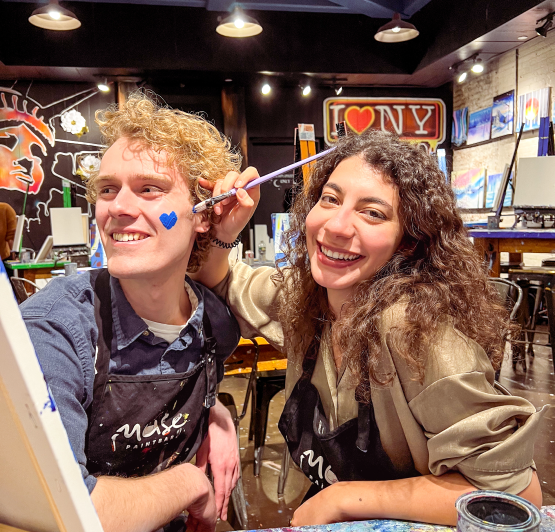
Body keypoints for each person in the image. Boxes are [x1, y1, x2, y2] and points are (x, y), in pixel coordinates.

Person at [193, 129, 548, 527]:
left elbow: (513, 492)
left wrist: (349, 498)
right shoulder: (308, 298)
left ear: (408, 242)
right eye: (330, 199)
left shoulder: (416, 333)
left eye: (373, 212)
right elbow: (225, 281)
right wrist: (225, 233)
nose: (337, 226)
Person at [20, 93, 251, 532]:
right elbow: (66, 509)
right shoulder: (57, 331)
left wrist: (216, 414)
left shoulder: (215, 323)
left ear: (202, 214)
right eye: (108, 189)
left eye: (149, 188)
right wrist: (187, 483)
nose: (119, 208)